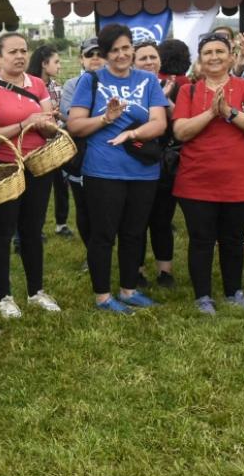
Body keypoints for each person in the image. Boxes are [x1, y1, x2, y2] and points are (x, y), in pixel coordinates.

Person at [67, 25, 169, 314]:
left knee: (134, 232)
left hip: (143, 171)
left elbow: (159, 123)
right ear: (105, 53)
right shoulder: (92, 80)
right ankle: (102, 296)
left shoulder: (148, 80)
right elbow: (75, 124)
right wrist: (105, 119)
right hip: (103, 170)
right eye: (115, 50)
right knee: (103, 234)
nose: (122, 54)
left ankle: (128, 290)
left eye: (126, 48)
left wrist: (132, 135)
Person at [171, 33, 244, 315]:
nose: (214, 57)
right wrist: (211, 114)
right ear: (199, 61)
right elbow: (180, 131)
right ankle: (202, 296)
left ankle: (233, 292)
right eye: (207, 53)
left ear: (231, 57)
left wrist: (229, 112)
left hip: (240, 179)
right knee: (201, 240)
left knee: (233, 239)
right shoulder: (188, 92)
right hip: (196, 180)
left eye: (219, 51)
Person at [0, 33, 61, 316]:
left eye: (24, 50)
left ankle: (36, 290)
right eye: (13, 52)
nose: (20, 56)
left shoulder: (37, 84)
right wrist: (26, 123)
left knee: (33, 230)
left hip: (37, 165)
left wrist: (49, 125)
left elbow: (46, 122)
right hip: (3, 166)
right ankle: (4, 296)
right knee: (2, 231)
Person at [132, 40, 181, 288]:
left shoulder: (173, 87)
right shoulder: (127, 89)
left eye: (153, 57)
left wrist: (166, 100)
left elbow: (182, 124)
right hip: (134, 161)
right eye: (143, 58)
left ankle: (165, 271)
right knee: (136, 220)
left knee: (162, 219)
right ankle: (137, 271)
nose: (149, 62)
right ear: (133, 62)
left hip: (164, 163)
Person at [57, 37, 105, 249]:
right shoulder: (71, 85)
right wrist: (105, 118)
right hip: (82, 155)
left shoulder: (118, 82)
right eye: (90, 54)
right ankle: (91, 252)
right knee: (84, 207)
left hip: (111, 154)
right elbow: (72, 118)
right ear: (81, 59)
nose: (95, 59)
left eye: (100, 54)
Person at [27, 44, 72, 239]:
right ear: (44, 64)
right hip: (35, 146)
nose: (59, 66)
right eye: (56, 62)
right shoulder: (27, 86)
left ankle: (61, 224)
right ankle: (34, 227)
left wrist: (58, 114)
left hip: (56, 145)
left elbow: (63, 116)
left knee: (61, 184)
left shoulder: (56, 87)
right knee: (37, 190)